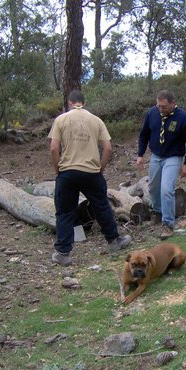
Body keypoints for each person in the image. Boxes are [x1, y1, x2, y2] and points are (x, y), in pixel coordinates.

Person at [48, 90, 132, 266]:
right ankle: (114, 241)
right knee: (101, 206)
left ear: (69, 103)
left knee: (64, 212)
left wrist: (58, 170)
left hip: (68, 172)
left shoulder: (61, 120)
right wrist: (100, 168)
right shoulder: (96, 120)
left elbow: (54, 148)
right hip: (92, 172)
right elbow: (108, 148)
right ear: (83, 103)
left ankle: (63, 253)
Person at [137, 90, 186, 240]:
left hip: (173, 157)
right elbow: (144, 134)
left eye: (164, 106)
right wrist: (140, 154)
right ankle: (157, 212)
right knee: (153, 187)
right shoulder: (152, 113)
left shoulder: (183, 117)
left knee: (166, 189)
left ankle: (168, 224)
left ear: (173, 103)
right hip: (156, 156)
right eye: (158, 106)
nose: (160, 109)